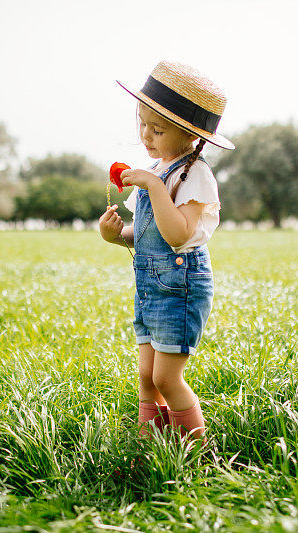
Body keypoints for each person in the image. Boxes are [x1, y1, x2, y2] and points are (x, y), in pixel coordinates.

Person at [98, 60, 234, 441]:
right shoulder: (158, 169)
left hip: (181, 289)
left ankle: (193, 452)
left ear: (192, 136)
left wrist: (153, 186)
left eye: (157, 129)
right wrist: (117, 235)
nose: (146, 135)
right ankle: (148, 448)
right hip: (151, 290)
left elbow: (177, 234)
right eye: (142, 123)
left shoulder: (196, 175)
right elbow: (147, 232)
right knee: (146, 375)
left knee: (166, 377)